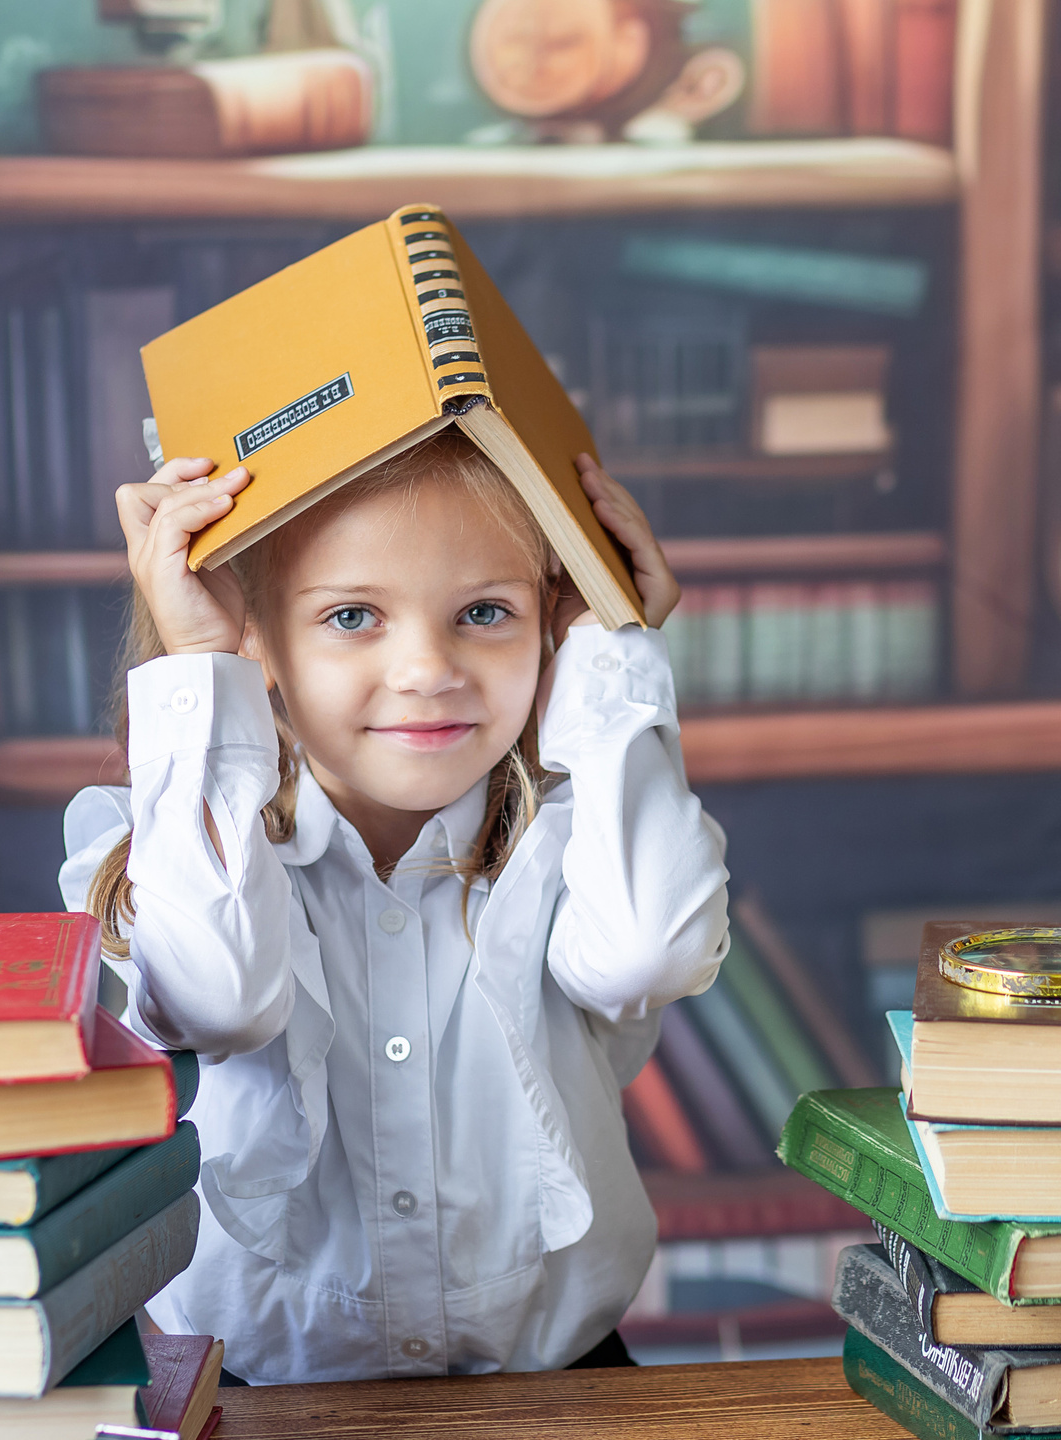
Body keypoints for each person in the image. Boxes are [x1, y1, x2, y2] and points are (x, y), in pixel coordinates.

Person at [58, 428, 729, 1384]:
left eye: (485, 610)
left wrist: (610, 645)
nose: (426, 669)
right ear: (256, 631)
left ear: (547, 620)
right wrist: (203, 665)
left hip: (561, 1398)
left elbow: (652, 953)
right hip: (247, 1404)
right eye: (352, 617)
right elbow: (218, 1001)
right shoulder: (160, 851)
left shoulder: (585, 836)